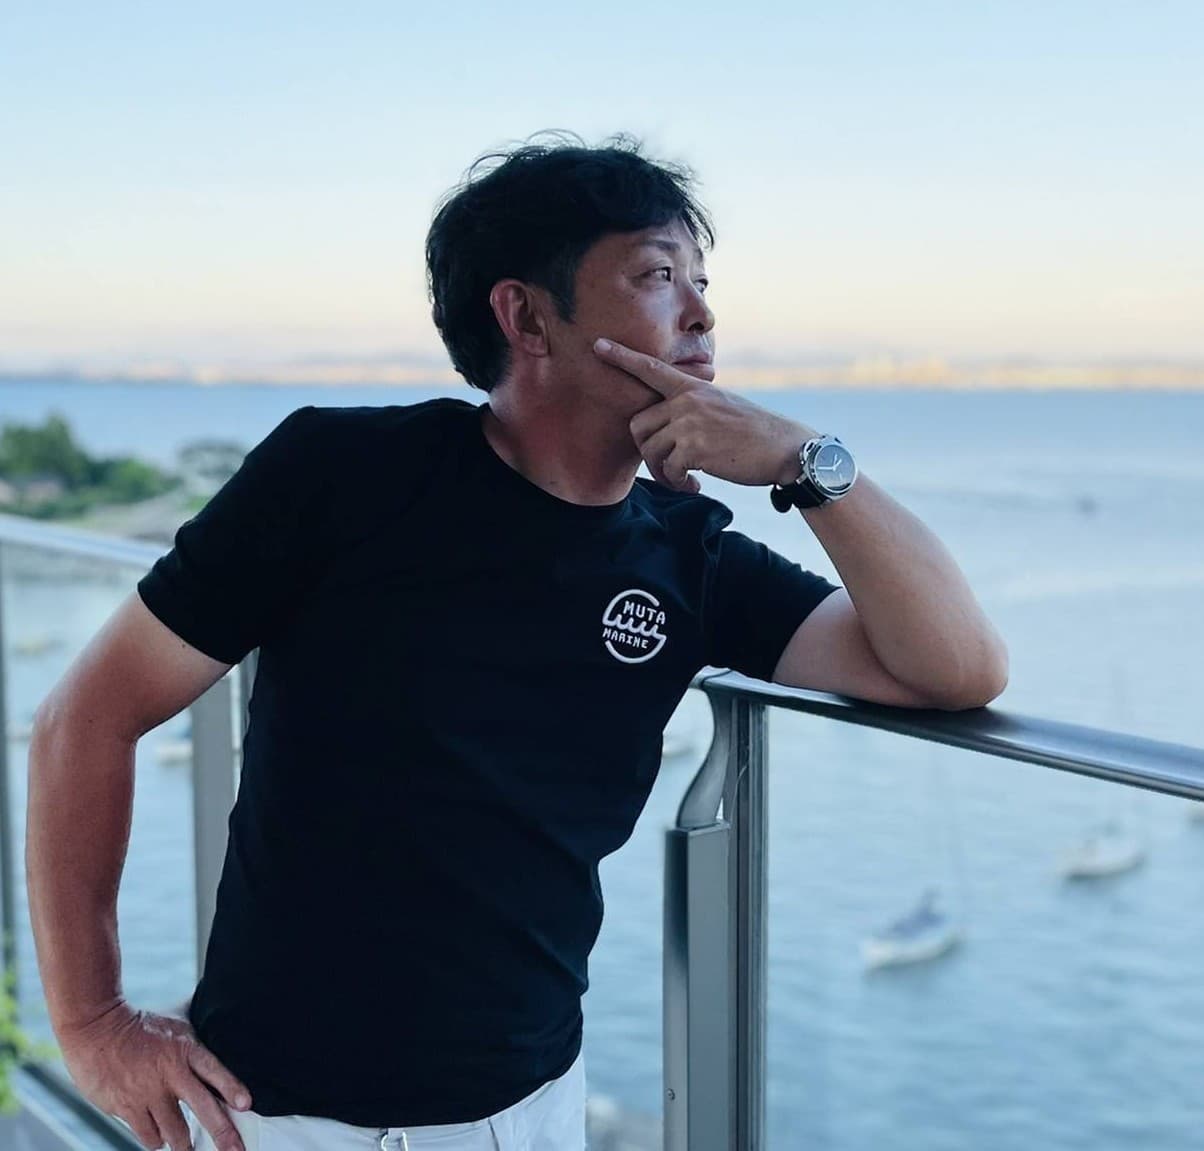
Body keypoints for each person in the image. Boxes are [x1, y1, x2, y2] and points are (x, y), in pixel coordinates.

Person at [25, 130, 1008, 1151]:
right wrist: (93, 1024)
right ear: (526, 316)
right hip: (280, 1115)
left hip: (531, 1108)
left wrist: (809, 462)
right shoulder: (342, 476)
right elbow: (84, 717)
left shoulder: (691, 558)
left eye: (702, 281)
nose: (701, 313)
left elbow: (957, 667)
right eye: (657, 274)